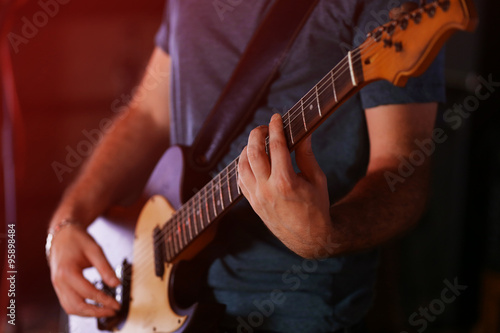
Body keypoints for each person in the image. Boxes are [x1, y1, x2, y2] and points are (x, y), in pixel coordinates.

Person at [47, 0, 445, 331]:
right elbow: (149, 115)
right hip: (159, 293)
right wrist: (68, 220)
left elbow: (402, 168)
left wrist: (328, 235)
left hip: (294, 306)